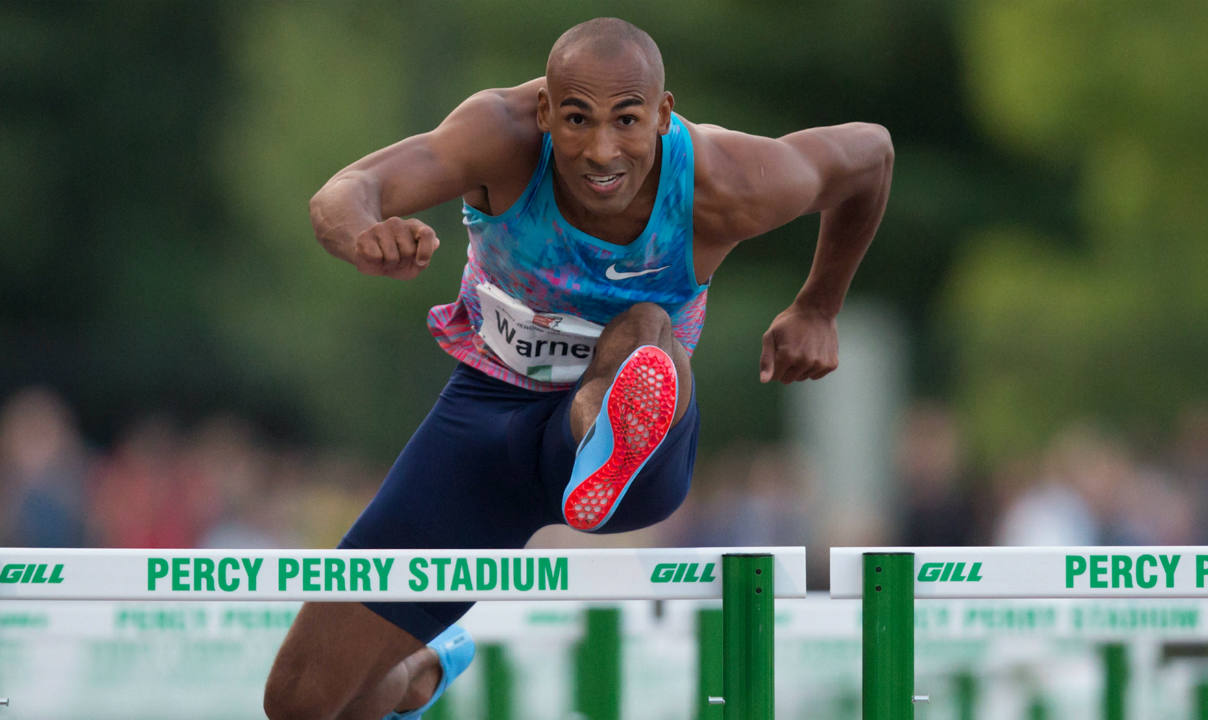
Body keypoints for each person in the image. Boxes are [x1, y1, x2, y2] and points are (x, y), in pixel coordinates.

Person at [265, 17, 892, 720]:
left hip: (635, 457)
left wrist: (818, 306)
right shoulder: (499, 135)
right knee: (300, 705)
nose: (601, 151)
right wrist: (362, 234)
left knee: (645, 329)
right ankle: (422, 674)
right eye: (576, 120)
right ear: (544, 114)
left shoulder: (728, 180)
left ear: (663, 115)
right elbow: (348, 188)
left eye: (627, 121)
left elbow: (869, 154)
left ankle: (606, 434)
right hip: (485, 421)